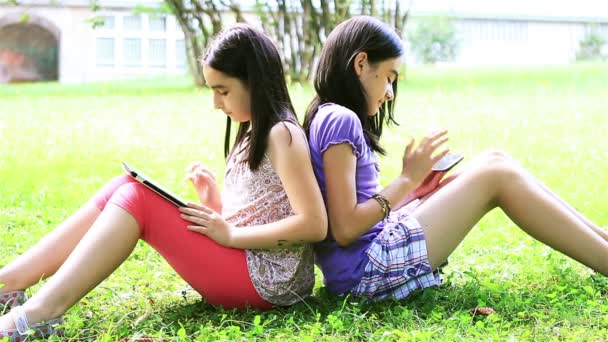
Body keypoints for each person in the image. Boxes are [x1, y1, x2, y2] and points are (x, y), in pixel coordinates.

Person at [0, 24, 327, 340]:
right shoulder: (251, 131)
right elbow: (263, 213)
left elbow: (313, 225)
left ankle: (37, 315)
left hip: (270, 282)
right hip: (248, 263)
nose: (216, 103)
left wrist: (231, 234)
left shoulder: (283, 134)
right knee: (122, 185)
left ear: (254, 82)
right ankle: (9, 283)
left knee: (137, 198)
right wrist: (215, 204)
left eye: (222, 91)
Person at [303, 15, 608, 302]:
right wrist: (407, 178)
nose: (390, 93)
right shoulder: (340, 119)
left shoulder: (329, 116)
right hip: (365, 272)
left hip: (368, 257)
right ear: (361, 63)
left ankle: (602, 239)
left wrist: (413, 192)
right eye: (389, 78)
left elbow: (353, 213)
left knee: (494, 160)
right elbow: (345, 229)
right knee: (496, 175)